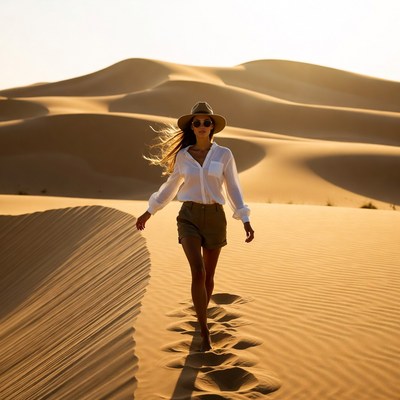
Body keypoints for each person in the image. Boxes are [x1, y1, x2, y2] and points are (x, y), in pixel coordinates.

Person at [136, 101, 255, 351]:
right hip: (188, 215)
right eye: (197, 122)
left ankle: (201, 313)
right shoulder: (183, 155)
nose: (202, 126)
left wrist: (244, 218)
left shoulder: (224, 155)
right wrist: (150, 211)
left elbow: (233, 187)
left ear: (213, 127)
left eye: (206, 122)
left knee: (209, 277)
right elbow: (171, 186)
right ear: (192, 126)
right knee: (198, 272)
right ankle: (203, 329)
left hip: (215, 216)